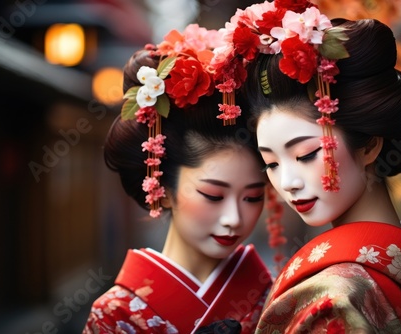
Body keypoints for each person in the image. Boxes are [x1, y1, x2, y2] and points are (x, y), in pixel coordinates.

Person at [211, 1, 401, 333]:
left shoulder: (336, 298)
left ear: (369, 145)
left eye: (306, 154)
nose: (288, 182)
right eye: (272, 163)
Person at [83, 24, 272, 334]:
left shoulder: (277, 299)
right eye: (213, 195)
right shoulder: (116, 315)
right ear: (163, 187)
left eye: (252, 197)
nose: (234, 219)